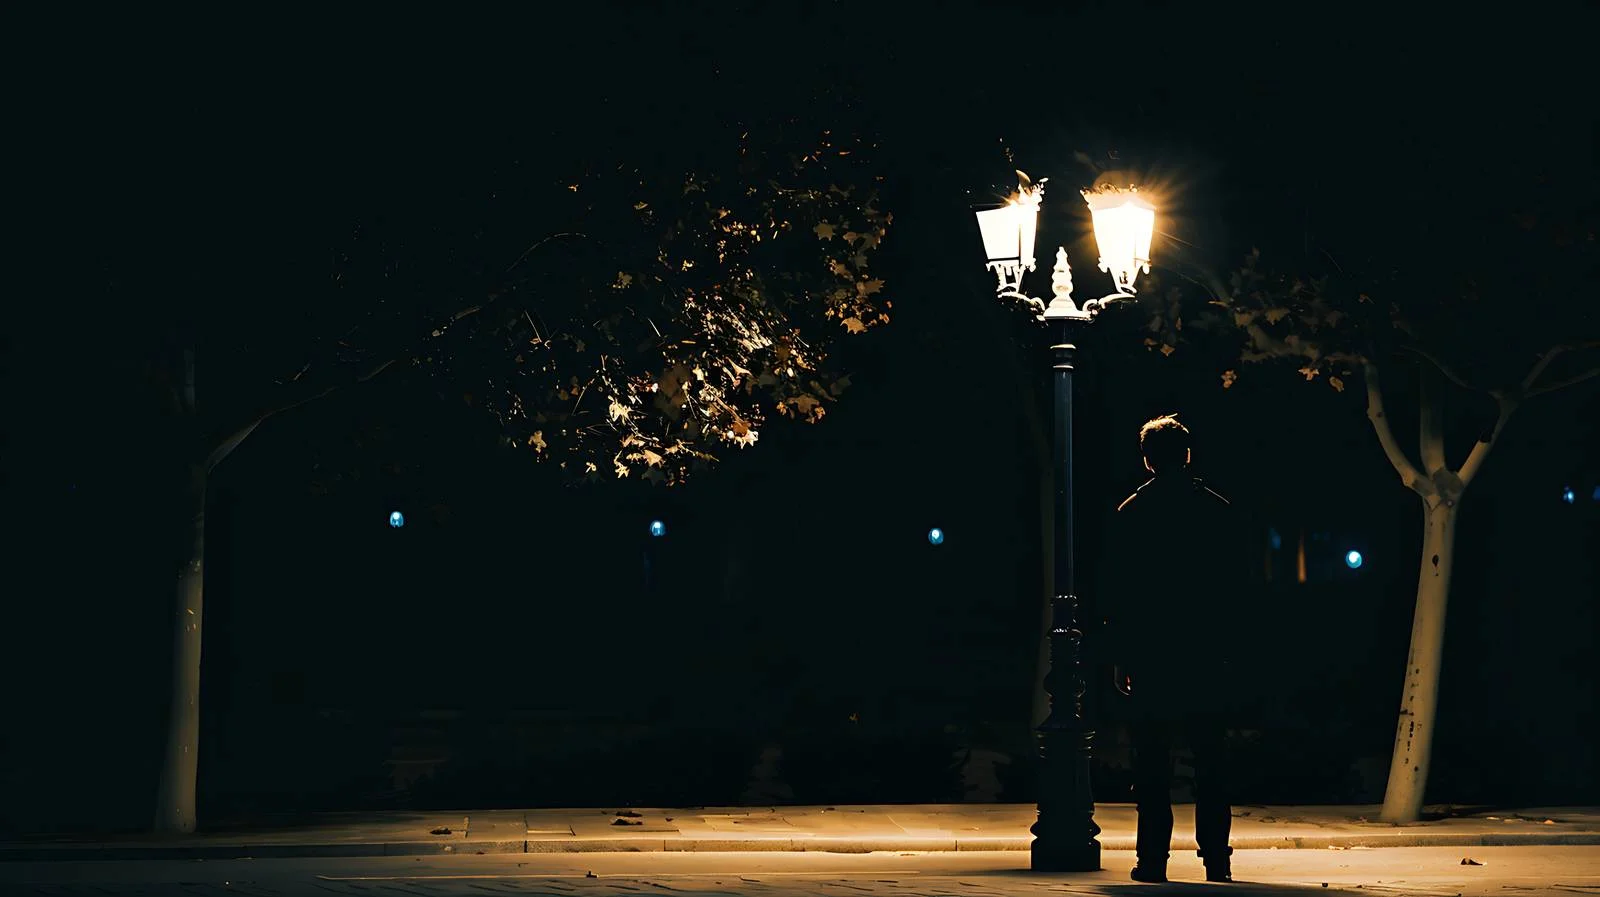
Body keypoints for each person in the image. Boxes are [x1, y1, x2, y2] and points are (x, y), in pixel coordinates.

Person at [1101, 414, 1247, 884]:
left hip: (1152, 654)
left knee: (1151, 763)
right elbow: (1234, 591)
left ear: (1147, 460)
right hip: (1205, 653)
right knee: (1211, 760)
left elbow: (1121, 594)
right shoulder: (1216, 510)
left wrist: (1121, 655)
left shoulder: (1132, 514)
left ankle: (1152, 860)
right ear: (1187, 455)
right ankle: (1217, 860)